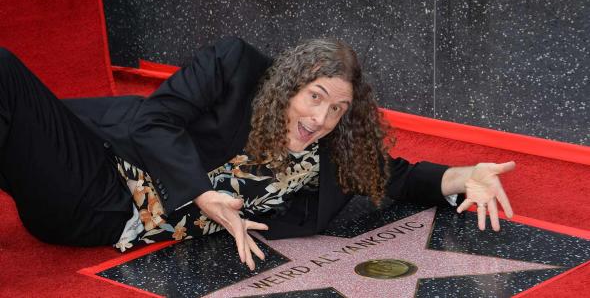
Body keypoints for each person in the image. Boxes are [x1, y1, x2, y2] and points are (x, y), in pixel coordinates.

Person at [0, 37, 514, 270]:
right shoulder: (234, 67)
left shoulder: (329, 155)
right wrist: (201, 193)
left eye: (337, 109)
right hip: (100, 167)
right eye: (315, 97)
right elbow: (154, 120)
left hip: (101, 219)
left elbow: (398, 178)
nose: (321, 119)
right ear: (288, 84)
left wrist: (466, 175)